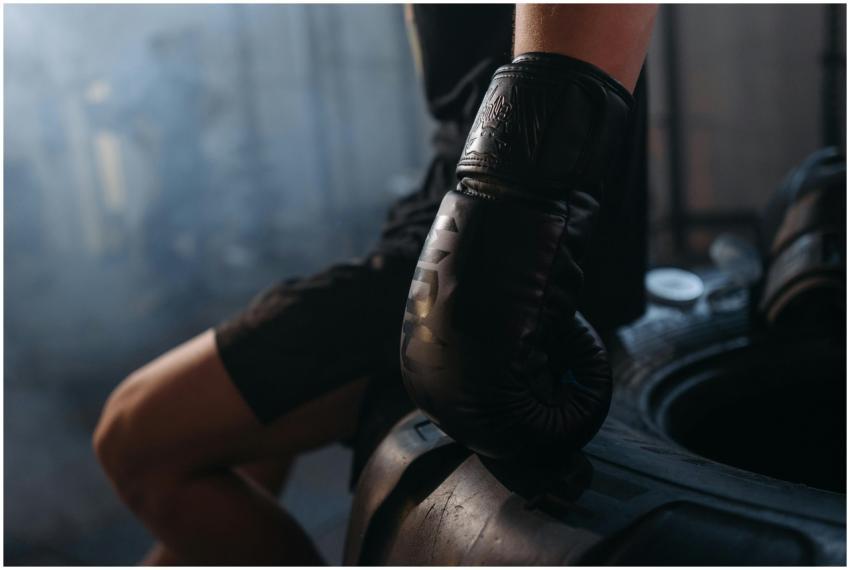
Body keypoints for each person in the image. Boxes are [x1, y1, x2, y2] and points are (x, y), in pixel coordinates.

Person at [94, 4, 657, 565]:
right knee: (227, 462)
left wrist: (501, 270)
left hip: (496, 252)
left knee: (134, 439)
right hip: (440, 226)